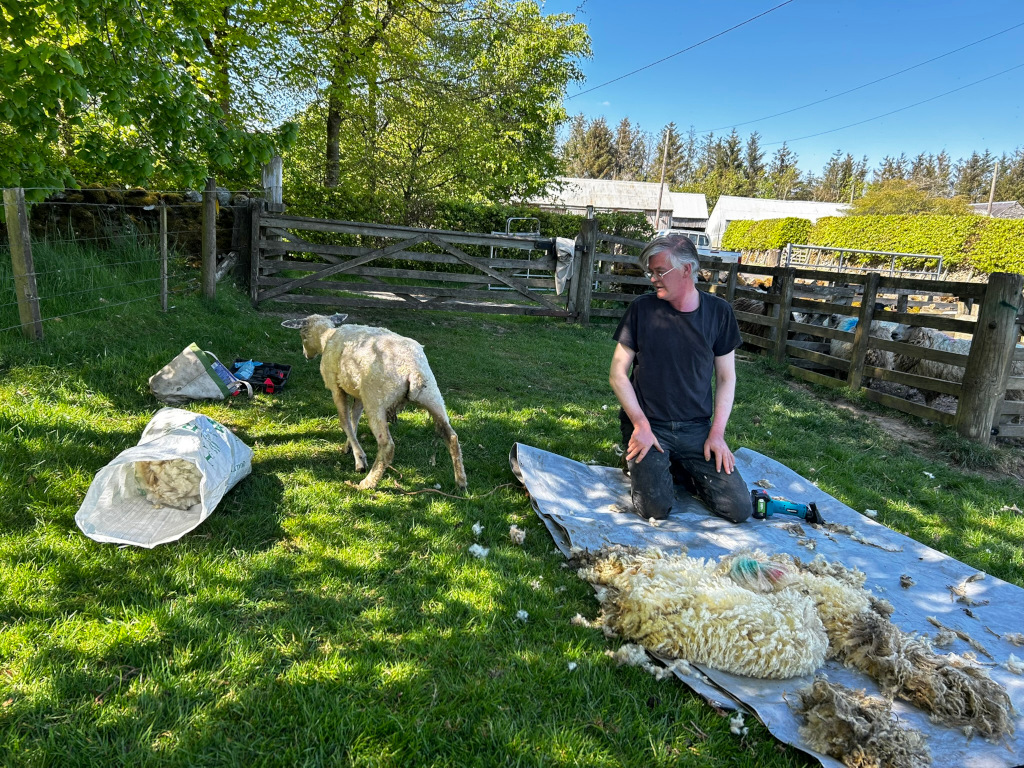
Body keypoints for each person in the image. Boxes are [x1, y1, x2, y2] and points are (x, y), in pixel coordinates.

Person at [608, 232, 750, 523]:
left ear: (686, 270)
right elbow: (617, 374)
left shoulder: (719, 313)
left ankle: (675, 466)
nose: (653, 278)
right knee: (654, 510)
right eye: (651, 272)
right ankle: (648, 463)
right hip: (650, 425)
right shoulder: (642, 309)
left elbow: (726, 379)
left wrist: (717, 434)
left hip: (697, 428)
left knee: (739, 509)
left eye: (660, 271)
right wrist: (640, 425)